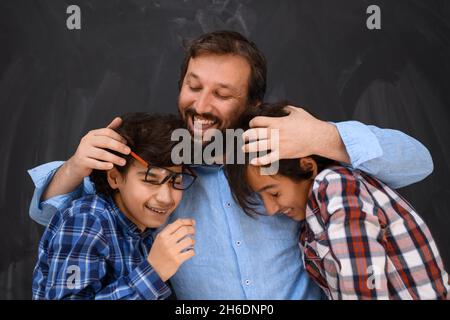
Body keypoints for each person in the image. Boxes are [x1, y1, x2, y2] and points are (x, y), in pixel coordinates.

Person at [28, 31, 434, 299]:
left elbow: (418, 162)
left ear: (253, 103)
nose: (201, 106)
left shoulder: (292, 146)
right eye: (193, 86)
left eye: (222, 93)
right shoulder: (164, 157)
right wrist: (76, 166)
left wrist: (323, 136)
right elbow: (53, 213)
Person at [226, 103, 449, 300]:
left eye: (273, 193)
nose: (271, 209)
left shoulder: (334, 186)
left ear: (307, 167)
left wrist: (324, 136)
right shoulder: (312, 218)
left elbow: (362, 286)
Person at [32, 113, 197, 299]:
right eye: (150, 180)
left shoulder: (145, 233)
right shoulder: (87, 221)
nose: (166, 198)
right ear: (114, 177)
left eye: (176, 180)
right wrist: (153, 272)